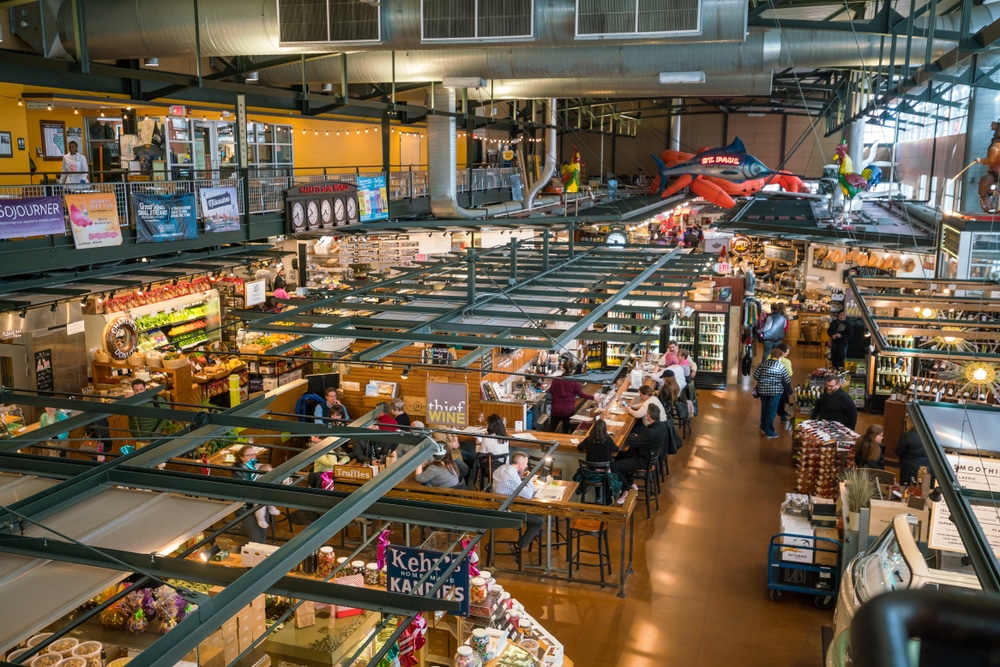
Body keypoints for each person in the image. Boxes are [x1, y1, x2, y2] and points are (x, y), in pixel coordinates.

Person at [491, 451, 543, 563]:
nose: (526, 466)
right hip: (506, 510)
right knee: (539, 521)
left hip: (499, 504)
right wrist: (529, 478)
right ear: (520, 464)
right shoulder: (512, 475)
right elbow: (528, 494)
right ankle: (518, 545)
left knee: (534, 509)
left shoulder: (503, 468)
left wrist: (520, 478)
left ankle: (533, 533)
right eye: (526, 464)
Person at [612, 404, 666, 489]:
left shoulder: (650, 432)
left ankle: (627, 487)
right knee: (619, 455)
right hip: (649, 457)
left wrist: (632, 435)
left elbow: (632, 442)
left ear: (648, 416)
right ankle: (630, 481)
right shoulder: (663, 426)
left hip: (642, 460)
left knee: (612, 467)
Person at [232, 445, 269, 544]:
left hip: (260, 504)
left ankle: (242, 549)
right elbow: (245, 492)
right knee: (257, 539)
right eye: (249, 455)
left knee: (262, 535)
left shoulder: (258, 467)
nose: (253, 457)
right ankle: (242, 549)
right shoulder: (238, 474)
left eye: (254, 454)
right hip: (246, 508)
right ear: (241, 457)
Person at [546, 359, 594, 433]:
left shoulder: (556, 379)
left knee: (551, 429)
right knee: (565, 431)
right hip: (568, 410)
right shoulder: (575, 382)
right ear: (573, 369)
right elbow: (581, 395)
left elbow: (551, 391)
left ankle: (546, 440)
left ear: (563, 368)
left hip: (556, 409)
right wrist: (594, 397)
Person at [753, 348, 791, 439]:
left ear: (771, 355)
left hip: (762, 390)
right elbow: (787, 380)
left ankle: (763, 427)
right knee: (771, 411)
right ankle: (769, 432)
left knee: (764, 409)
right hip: (775, 391)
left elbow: (755, 376)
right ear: (780, 357)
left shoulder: (762, 364)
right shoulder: (781, 366)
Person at [775, 343, 794, 430]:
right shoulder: (786, 361)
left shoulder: (769, 357)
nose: (788, 354)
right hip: (783, 384)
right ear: (782, 352)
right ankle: (783, 417)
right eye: (787, 352)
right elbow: (790, 373)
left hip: (772, 384)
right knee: (784, 400)